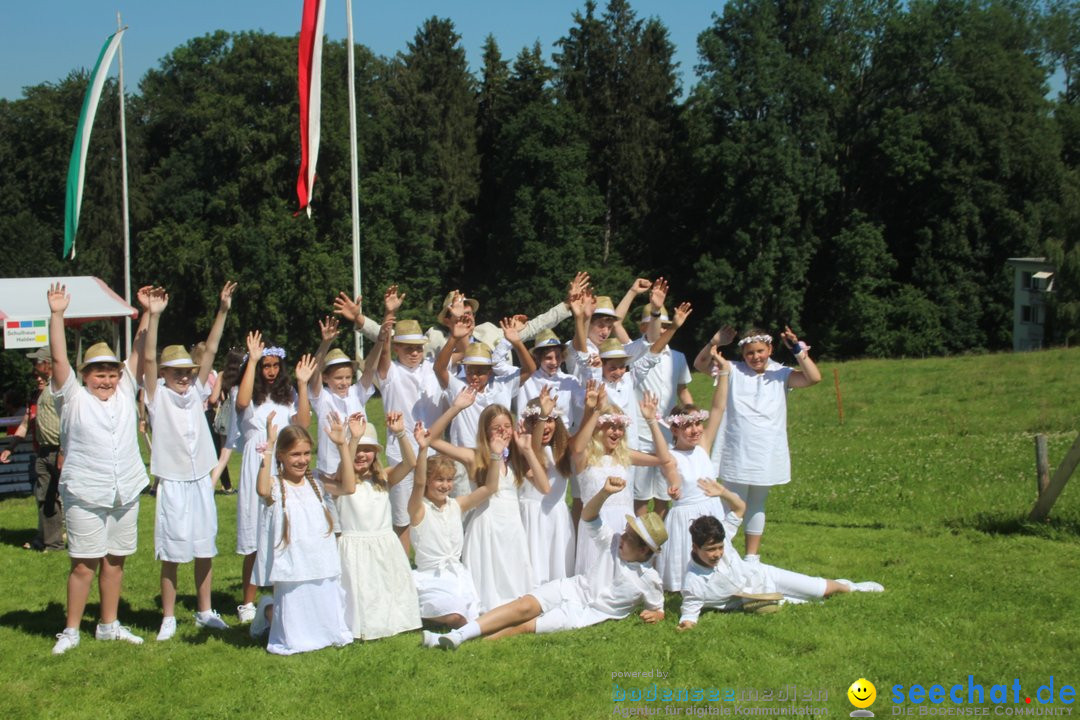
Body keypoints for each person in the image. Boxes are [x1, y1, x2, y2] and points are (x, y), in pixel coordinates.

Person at [423, 475, 667, 649]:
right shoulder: (612, 542)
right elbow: (589, 516)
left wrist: (656, 616)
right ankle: (459, 635)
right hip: (572, 588)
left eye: (629, 536)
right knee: (523, 606)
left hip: (586, 614)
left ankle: (469, 646)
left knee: (526, 626)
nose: (622, 536)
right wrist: (604, 493)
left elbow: (659, 608)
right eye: (625, 531)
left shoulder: (649, 580)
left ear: (644, 549)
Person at [47, 282, 153, 654]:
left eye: (111, 373)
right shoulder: (72, 397)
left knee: (115, 561)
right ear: (85, 375)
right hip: (85, 491)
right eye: (98, 374)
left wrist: (146, 315)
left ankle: (108, 624)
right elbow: (59, 361)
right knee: (83, 565)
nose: (106, 380)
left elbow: (139, 352)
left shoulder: (125, 390)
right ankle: (71, 630)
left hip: (124, 487)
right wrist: (57, 316)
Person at [142, 281, 236, 640]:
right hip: (172, 481)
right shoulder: (157, 396)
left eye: (187, 371)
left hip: (200, 480)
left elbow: (211, 348)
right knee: (172, 550)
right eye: (176, 371)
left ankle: (205, 610)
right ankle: (168, 616)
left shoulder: (196, 391)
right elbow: (149, 358)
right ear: (164, 374)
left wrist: (223, 309)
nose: (184, 376)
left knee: (204, 547)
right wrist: (153, 315)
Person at [677, 484, 883, 630]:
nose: (717, 554)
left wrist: (723, 492)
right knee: (812, 603)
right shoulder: (692, 581)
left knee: (820, 590)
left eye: (720, 547)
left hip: (766, 576)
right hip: (755, 600)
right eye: (711, 549)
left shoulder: (724, 538)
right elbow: (690, 611)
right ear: (696, 547)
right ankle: (831, 590)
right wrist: (686, 625)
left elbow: (740, 508)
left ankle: (851, 587)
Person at [698, 326, 822, 561]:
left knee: (757, 504)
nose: (756, 357)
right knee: (730, 503)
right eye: (750, 353)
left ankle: (751, 557)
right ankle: (722, 553)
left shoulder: (781, 373)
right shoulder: (732, 369)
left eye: (760, 351)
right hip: (736, 450)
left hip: (767, 450)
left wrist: (797, 349)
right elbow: (701, 364)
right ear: (743, 355)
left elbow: (813, 378)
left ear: (770, 349)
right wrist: (714, 341)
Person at [428, 388, 547, 612]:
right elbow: (432, 439)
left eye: (506, 427)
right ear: (486, 431)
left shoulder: (515, 460)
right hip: (487, 524)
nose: (502, 432)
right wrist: (456, 408)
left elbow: (544, 487)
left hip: (512, 526)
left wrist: (528, 451)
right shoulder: (474, 456)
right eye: (496, 428)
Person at [252, 414, 355, 654]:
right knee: (295, 637)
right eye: (295, 454)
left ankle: (275, 612)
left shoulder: (316, 482)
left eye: (306, 454)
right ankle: (268, 611)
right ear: (282, 456)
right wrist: (268, 446)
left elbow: (349, 487)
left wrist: (342, 445)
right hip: (293, 566)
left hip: (320, 561)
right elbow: (261, 489)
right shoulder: (276, 485)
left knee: (329, 626)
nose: (302, 460)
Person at [233, 330, 315, 623]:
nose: (270, 371)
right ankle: (247, 602)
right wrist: (252, 362)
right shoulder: (247, 392)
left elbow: (302, 425)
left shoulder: (287, 396)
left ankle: (286, 591)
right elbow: (242, 403)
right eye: (265, 366)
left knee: (285, 530)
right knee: (254, 534)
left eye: (274, 365)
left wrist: (303, 385)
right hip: (257, 465)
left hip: (284, 466)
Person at [329, 412, 422, 640]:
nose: (361, 454)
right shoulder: (341, 479)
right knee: (361, 590)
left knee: (385, 587)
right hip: (355, 543)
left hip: (384, 542)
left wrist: (400, 433)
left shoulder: (384, 477)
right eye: (357, 449)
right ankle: (362, 625)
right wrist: (352, 440)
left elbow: (411, 463)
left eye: (367, 449)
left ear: (376, 453)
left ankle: (392, 621)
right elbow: (346, 469)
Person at [570, 382, 676, 574]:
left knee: (622, 572)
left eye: (620, 428)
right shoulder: (585, 457)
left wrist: (651, 421)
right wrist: (596, 411)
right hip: (596, 521)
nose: (617, 432)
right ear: (599, 428)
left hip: (623, 521)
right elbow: (576, 447)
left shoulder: (624, 455)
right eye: (611, 426)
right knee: (597, 572)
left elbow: (662, 458)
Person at [655, 345, 732, 592]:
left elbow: (718, 408)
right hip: (685, 516)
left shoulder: (703, 447)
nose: (695, 430)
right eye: (688, 426)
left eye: (698, 423)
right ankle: (684, 587)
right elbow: (673, 479)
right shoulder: (672, 455)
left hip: (711, 509)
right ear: (675, 430)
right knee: (685, 566)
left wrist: (724, 374)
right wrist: (674, 491)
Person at [408, 425, 495, 629]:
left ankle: (469, 626)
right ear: (429, 481)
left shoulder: (456, 505)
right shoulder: (418, 509)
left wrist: (497, 455)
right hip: (431, 577)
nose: (445, 485)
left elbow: (490, 488)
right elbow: (418, 483)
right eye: (439, 480)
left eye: (449, 480)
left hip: (457, 575)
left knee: (473, 613)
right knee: (456, 617)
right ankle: (426, 613)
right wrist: (422, 450)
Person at [0, 347, 64, 551]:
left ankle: (63, 538)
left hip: (60, 451)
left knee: (64, 497)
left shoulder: (61, 390)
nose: (35, 373)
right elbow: (26, 424)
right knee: (44, 497)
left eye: (37, 365)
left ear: (48, 364)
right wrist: (10, 448)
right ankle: (48, 540)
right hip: (43, 453)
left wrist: (64, 450)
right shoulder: (35, 395)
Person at [517, 388, 575, 584]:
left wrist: (593, 411)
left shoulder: (562, 451)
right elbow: (533, 449)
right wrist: (541, 417)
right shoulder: (525, 451)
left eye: (551, 419)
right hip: (532, 516)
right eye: (536, 422)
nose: (545, 426)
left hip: (557, 516)